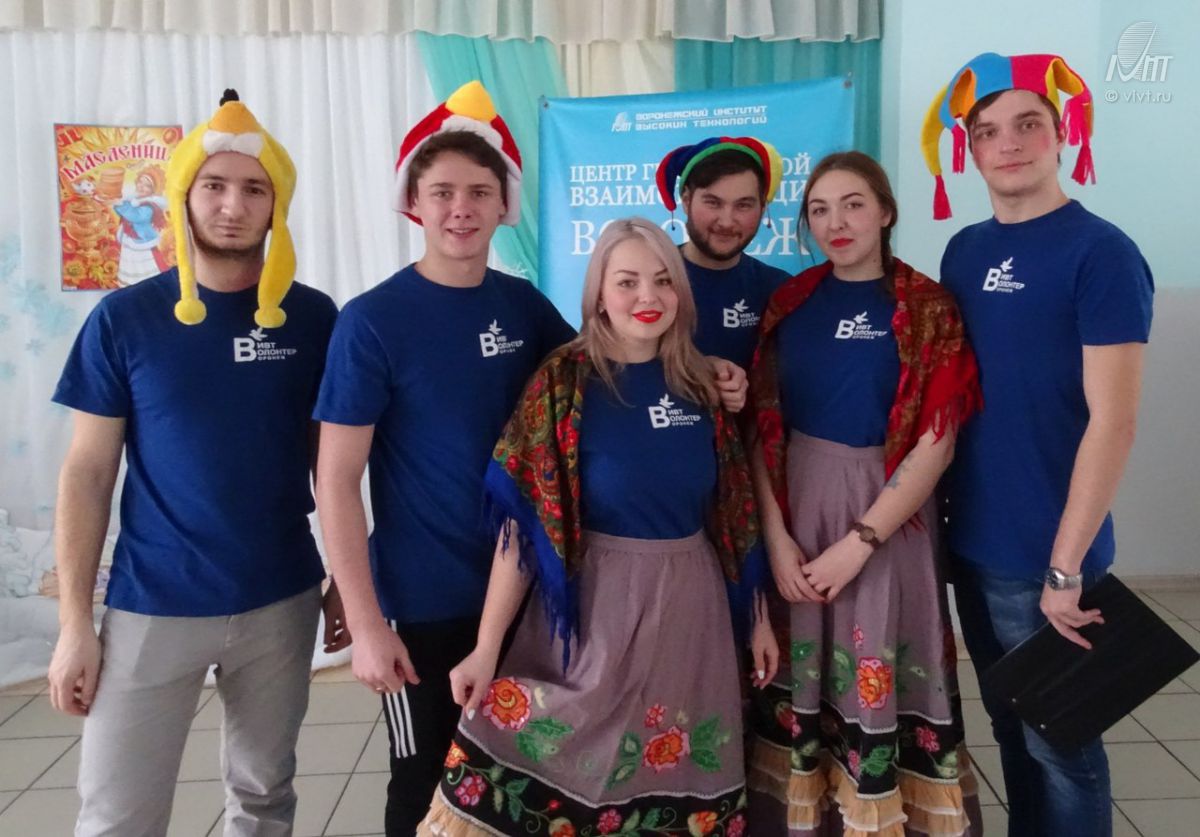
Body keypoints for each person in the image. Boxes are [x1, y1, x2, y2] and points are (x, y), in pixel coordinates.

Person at [315, 82, 750, 837]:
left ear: (503, 205)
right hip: (424, 598)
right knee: (426, 780)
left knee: (531, 788)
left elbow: (618, 357)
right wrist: (363, 615)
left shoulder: (522, 308)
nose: (461, 208)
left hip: (542, 592)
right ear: (413, 201)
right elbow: (336, 479)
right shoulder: (371, 321)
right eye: (443, 192)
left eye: (479, 192)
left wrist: (706, 369)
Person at [417, 217, 776, 837]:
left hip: (691, 613)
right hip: (592, 613)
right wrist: (485, 646)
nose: (647, 296)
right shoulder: (562, 383)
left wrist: (760, 620)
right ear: (599, 295)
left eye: (663, 280)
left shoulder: (702, 384)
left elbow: (732, 515)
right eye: (627, 281)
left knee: (674, 773)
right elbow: (522, 529)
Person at [48, 90, 340, 836]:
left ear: (277, 206)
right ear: (183, 194)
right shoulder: (123, 320)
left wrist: (349, 580)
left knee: (264, 799)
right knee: (118, 813)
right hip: (152, 604)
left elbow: (334, 470)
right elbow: (86, 474)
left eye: (253, 189)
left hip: (280, 600)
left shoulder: (314, 319)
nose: (232, 206)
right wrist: (75, 624)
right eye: (214, 185)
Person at [924, 52, 1154, 837]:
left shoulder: (1101, 252)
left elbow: (1114, 421)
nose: (1009, 143)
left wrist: (1065, 566)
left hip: (1049, 555)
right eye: (988, 131)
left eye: (1028, 124)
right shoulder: (963, 251)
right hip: (972, 544)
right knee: (1010, 727)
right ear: (970, 151)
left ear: (1062, 135)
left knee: (1065, 747)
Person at [745, 151, 984, 835]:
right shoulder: (789, 303)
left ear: (884, 211)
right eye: (819, 210)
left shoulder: (926, 306)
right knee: (803, 671)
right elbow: (760, 427)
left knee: (877, 661)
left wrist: (862, 541)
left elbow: (938, 440)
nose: (836, 222)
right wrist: (776, 538)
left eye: (852, 204)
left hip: (889, 520)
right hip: (796, 511)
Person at [657, 136, 790, 370]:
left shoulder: (781, 291)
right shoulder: (649, 282)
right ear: (686, 201)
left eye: (743, 205)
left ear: (762, 208)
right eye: (713, 203)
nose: (727, 221)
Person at [109, 164, 170, 284]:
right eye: (140, 182)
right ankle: (129, 283)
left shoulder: (150, 205)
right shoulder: (134, 200)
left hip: (142, 242)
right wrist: (118, 203)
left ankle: (146, 284)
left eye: (147, 185)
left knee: (145, 267)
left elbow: (135, 216)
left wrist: (121, 204)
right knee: (129, 263)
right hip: (130, 240)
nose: (141, 187)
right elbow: (123, 213)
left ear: (153, 190)